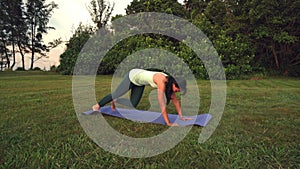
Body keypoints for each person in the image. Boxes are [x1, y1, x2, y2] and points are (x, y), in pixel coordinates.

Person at [92, 68, 192, 126]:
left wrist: (181, 116)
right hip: (132, 76)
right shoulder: (161, 81)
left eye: (178, 91)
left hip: (139, 82)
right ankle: (97, 105)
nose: (176, 91)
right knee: (116, 93)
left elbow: (176, 101)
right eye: (177, 89)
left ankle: (116, 101)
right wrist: (168, 123)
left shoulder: (170, 83)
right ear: (174, 83)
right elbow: (161, 103)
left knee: (133, 103)